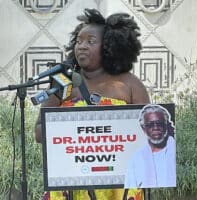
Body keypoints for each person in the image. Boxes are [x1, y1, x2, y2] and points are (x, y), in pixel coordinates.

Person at [35, 8, 150, 200]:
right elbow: (39, 132)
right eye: (78, 41)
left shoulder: (131, 85)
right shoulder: (64, 83)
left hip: (120, 187)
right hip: (71, 185)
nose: (81, 46)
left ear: (109, 45)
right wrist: (72, 129)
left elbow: (149, 134)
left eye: (90, 41)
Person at [125, 104, 176, 188]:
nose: (155, 127)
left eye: (159, 123)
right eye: (150, 124)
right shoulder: (136, 159)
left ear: (166, 125)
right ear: (143, 128)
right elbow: (131, 189)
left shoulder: (177, 152)